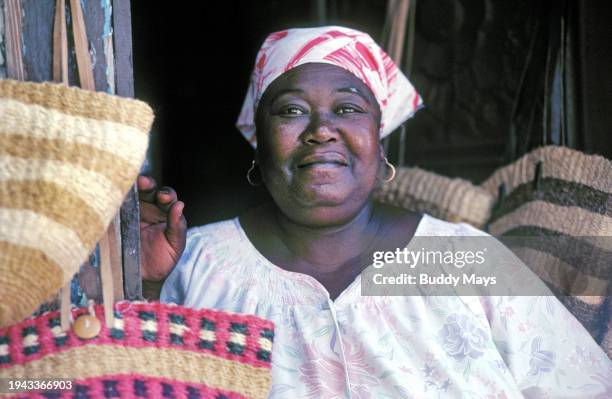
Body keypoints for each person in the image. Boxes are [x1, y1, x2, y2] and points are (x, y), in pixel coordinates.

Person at [137, 26, 611, 398]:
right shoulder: (196, 263)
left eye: (347, 109)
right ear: (259, 143)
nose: (322, 130)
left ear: (379, 141)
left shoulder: (458, 258)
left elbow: (586, 387)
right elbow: (92, 383)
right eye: (292, 111)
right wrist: (141, 289)